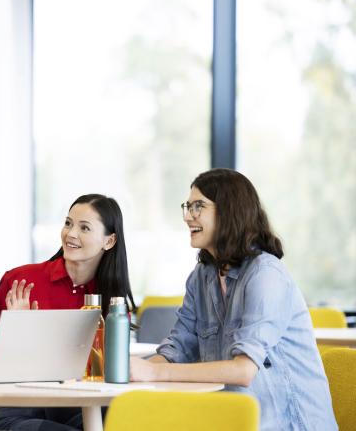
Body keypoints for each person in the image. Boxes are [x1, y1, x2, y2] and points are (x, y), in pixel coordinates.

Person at [130, 168, 337, 431]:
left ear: (228, 212)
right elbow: (178, 348)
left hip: (288, 425)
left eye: (198, 206)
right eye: (187, 206)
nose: (187, 216)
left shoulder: (266, 274)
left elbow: (243, 371)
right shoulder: (202, 276)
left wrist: (154, 372)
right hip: (230, 422)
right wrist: (133, 370)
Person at [0, 194, 135, 431]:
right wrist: (16, 329)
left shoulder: (112, 300)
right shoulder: (21, 280)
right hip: (20, 403)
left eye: (84, 228)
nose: (71, 234)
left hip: (83, 405)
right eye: (68, 223)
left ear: (109, 241)